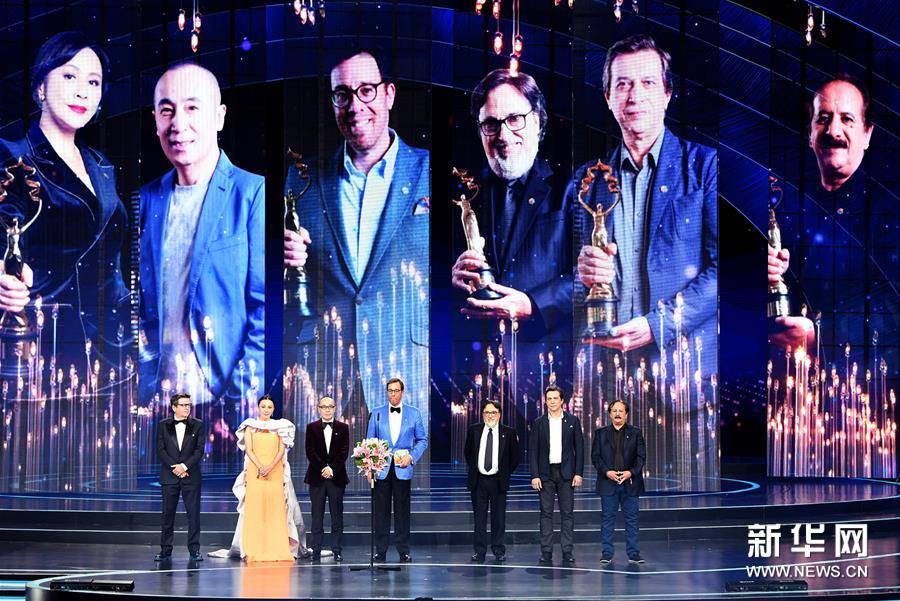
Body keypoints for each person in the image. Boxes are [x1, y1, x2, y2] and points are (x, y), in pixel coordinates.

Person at [283, 50, 430, 422]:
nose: (354, 106)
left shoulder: (431, 170)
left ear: (389, 94)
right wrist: (280, 259)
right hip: (323, 377)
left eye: (366, 90)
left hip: (407, 374)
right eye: (342, 95)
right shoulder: (300, 179)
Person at [574, 34, 717, 377]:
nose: (634, 96)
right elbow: (567, 281)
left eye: (648, 83)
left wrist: (658, 325)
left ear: (667, 94)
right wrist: (581, 273)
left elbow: (724, 271)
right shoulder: (587, 181)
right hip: (604, 370)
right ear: (608, 97)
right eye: (623, 84)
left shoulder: (707, 167)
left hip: (684, 372)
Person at [139, 62, 264, 406]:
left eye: (192, 108)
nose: (178, 125)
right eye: (167, 111)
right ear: (155, 120)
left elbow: (264, 311)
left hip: (222, 402)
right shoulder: (146, 199)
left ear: (219, 116)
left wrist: (238, 400)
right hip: (156, 402)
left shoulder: (253, 194)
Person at [0, 31, 130, 359]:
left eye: (93, 82)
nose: (82, 91)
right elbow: (6, 232)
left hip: (112, 344)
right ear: (41, 87)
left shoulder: (102, 165)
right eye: (69, 76)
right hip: (43, 344)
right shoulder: (13, 157)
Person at [451, 68, 572, 343]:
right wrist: (452, 278)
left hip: (547, 352)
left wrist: (533, 306)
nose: (504, 135)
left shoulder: (572, 186)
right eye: (491, 123)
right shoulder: (463, 193)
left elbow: (590, 278)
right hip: (477, 355)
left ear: (537, 121)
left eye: (515, 119)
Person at [211, 395, 306, 562]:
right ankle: (253, 549)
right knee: (255, 510)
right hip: (255, 471)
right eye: (263, 406)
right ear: (258, 408)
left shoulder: (281, 426)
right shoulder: (250, 426)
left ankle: (277, 549)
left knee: (275, 510)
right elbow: (249, 450)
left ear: (273, 409)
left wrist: (270, 467)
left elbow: (281, 450)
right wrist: (260, 466)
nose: (266, 410)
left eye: (269, 407)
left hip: (275, 471)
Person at [365, 377, 428, 562]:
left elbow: (422, 440)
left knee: (402, 513)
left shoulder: (414, 413)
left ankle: (403, 551)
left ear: (402, 392)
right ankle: (380, 551)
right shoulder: (376, 413)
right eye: (390, 391)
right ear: (387, 392)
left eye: (396, 390)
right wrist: (370, 468)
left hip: (403, 468)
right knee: (381, 512)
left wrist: (411, 457)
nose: (393, 394)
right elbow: (370, 443)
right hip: (381, 469)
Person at [528, 385, 583, 564]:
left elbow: (579, 449)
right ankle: (546, 551)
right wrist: (535, 475)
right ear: (545, 401)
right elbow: (533, 451)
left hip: (567, 474)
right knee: (546, 513)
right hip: (545, 474)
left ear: (562, 401)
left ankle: (567, 551)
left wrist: (578, 473)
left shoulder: (573, 421)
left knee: (567, 513)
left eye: (555, 398)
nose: (552, 401)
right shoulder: (539, 422)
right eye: (549, 398)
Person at [464, 399, 519, 563]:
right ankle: (479, 551)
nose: (490, 415)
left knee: (499, 519)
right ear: (482, 414)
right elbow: (468, 453)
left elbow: (514, 458)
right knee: (479, 519)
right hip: (478, 481)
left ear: (499, 414)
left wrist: (504, 473)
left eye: (493, 412)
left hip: (498, 482)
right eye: (487, 412)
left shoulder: (509, 432)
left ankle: (498, 550)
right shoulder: (474, 430)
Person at [592, 399, 646, 565]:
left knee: (632, 519)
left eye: (621, 411)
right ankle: (607, 553)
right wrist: (607, 472)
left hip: (630, 483)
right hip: (608, 482)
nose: (617, 414)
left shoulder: (636, 432)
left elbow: (641, 457)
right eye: (614, 411)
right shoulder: (600, 433)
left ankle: (634, 553)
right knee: (608, 519)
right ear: (609, 414)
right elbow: (595, 457)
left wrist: (631, 473)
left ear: (626, 414)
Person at [156, 392, 205, 561]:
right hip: (169, 477)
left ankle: (194, 550)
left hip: (191, 476)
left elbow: (199, 450)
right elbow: (160, 450)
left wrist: (184, 466)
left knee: (193, 515)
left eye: (188, 405)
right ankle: (165, 550)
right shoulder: (163, 425)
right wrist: (175, 468)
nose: (187, 408)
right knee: (167, 515)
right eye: (183, 405)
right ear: (174, 407)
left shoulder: (198, 425)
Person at [304, 396, 349, 562]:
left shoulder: (343, 428)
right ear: (319, 409)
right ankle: (316, 551)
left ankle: (337, 550)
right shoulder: (311, 427)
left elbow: (344, 451)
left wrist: (331, 469)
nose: (327, 409)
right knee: (317, 516)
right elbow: (310, 451)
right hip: (317, 478)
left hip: (337, 478)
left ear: (335, 408)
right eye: (324, 406)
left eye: (330, 406)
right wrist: (323, 467)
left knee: (337, 517)